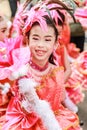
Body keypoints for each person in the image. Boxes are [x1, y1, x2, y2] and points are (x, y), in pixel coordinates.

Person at [0, 0, 82, 130]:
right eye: (36, 38)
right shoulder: (21, 69)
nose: (41, 45)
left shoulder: (56, 69)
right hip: (26, 124)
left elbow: (58, 98)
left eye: (47, 39)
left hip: (55, 120)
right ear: (28, 39)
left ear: (56, 43)